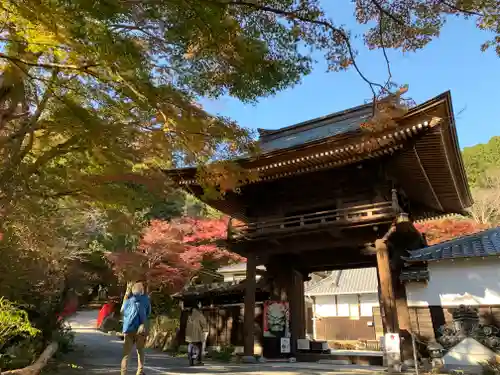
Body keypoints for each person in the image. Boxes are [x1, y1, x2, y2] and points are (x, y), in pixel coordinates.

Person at [120, 282, 151, 375]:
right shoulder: (145, 300)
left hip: (128, 329)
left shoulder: (128, 301)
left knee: (126, 354)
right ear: (141, 291)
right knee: (140, 351)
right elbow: (148, 313)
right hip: (140, 329)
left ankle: (123, 373)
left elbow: (122, 311)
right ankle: (139, 372)